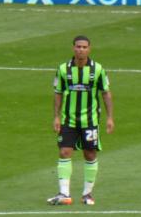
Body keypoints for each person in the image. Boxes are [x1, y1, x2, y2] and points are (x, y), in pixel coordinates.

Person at [48, 35, 114, 207]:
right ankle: (64, 194)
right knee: (64, 152)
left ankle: (87, 194)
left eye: (84, 47)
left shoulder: (98, 69)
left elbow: (105, 93)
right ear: (73, 48)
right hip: (68, 120)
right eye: (78, 46)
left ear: (89, 49)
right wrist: (56, 116)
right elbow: (58, 93)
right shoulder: (63, 69)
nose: (81, 50)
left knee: (90, 154)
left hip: (89, 121)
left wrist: (110, 117)